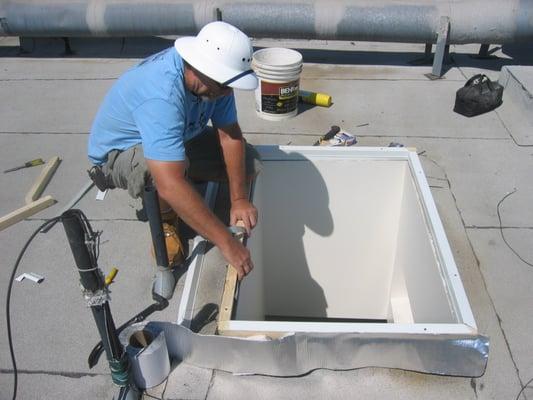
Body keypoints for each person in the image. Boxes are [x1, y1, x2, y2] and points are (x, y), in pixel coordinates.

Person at [87, 21, 259, 297]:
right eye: (226, 85)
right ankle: (166, 222)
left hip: (177, 135)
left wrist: (238, 199)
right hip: (116, 155)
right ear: (203, 69)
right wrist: (227, 243)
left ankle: (182, 182)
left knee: (250, 162)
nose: (229, 93)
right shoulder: (162, 94)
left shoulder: (217, 84)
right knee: (162, 175)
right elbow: (169, 183)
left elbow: (230, 135)